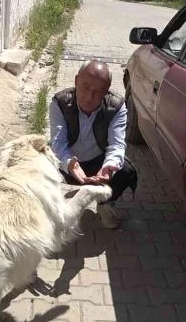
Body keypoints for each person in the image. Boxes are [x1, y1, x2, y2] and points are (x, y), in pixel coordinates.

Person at [49, 59, 138, 229]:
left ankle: (104, 203)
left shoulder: (117, 107)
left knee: (125, 170)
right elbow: (57, 143)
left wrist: (108, 167)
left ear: (107, 90)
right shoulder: (60, 103)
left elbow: (117, 145)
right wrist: (71, 164)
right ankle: (50, 208)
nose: (89, 97)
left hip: (98, 165)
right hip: (67, 163)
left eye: (98, 92)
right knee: (38, 165)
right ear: (76, 81)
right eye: (85, 88)